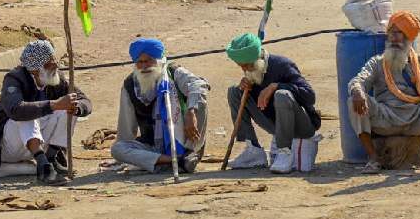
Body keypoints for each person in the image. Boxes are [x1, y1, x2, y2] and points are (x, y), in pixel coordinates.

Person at [348, 11, 420, 173]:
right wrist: (357, 91)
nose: (394, 38)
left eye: (400, 33)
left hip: (417, 118)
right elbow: (359, 80)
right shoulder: (377, 63)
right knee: (353, 99)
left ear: (409, 38)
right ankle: (374, 159)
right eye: (392, 32)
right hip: (387, 118)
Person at [0, 40, 92, 184]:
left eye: (54, 59)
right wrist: (54, 104)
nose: (55, 65)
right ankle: (42, 164)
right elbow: (16, 110)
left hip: (33, 144)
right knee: (27, 113)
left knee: (68, 107)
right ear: (35, 69)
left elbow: (85, 100)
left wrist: (77, 107)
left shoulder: (55, 78)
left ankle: (50, 158)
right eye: (49, 62)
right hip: (6, 147)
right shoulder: (14, 79)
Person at [225, 32, 320, 173]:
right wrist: (246, 88)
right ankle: (254, 150)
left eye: (247, 65)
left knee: (282, 95)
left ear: (258, 58)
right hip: (276, 124)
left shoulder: (281, 65)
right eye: (241, 66)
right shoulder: (253, 70)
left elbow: (310, 96)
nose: (244, 70)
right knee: (234, 91)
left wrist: (277, 86)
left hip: (301, 125)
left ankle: (285, 152)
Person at [111, 38, 209, 173]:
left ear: (158, 60)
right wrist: (127, 155)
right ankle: (175, 160)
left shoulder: (173, 72)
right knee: (117, 149)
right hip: (152, 146)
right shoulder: (130, 85)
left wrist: (190, 111)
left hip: (186, 139)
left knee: (199, 100)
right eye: (140, 62)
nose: (144, 66)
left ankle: (188, 154)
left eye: (148, 61)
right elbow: (126, 127)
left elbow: (199, 85)